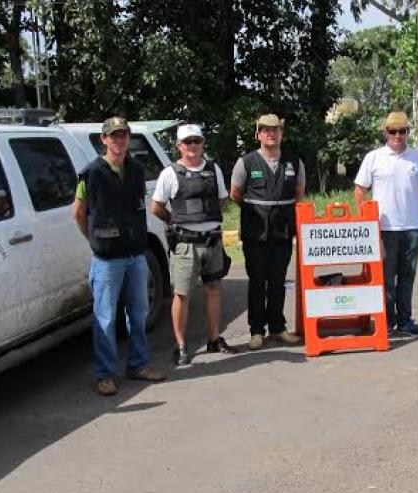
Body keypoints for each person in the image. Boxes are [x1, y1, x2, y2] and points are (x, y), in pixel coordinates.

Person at [72, 116, 165, 395]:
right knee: (105, 318)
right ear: (104, 140)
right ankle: (105, 375)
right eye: (114, 135)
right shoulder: (91, 173)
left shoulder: (136, 169)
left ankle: (138, 365)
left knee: (139, 313)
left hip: (136, 254)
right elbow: (78, 211)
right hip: (106, 259)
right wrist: (93, 239)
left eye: (123, 135)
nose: (119, 140)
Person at [150, 124, 237, 369]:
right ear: (179, 146)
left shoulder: (213, 169)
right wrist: (176, 222)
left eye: (197, 141)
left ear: (202, 143)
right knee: (182, 295)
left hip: (213, 240)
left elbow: (222, 200)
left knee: (214, 289)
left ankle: (214, 340)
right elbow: (156, 207)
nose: (193, 146)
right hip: (185, 244)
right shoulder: (169, 173)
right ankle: (180, 346)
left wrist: (207, 220)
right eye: (187, 142)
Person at [354, 111, 418, 337]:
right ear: (385, 133)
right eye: (393, 131)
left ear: (408, 132)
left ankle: (405, 320)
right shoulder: (374, 157)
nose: (397, 135)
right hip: (384, 230)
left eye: (402, 131)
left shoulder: (417, 158)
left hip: (411, 228)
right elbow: (360, 190)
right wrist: (366, 222)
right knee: (385, 279)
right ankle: (387, 321)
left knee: (407, 277)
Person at [229, 114, 304, 350]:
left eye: (275, 130)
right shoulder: (246, 162)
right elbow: (235, 193)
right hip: (255, 233)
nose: (271, 134)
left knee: (278, 281)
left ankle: (278, 327)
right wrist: (257, 211)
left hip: (282, 232)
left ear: (281, 133)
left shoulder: (294, 162)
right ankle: (256, 331)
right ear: (258, 134)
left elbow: (299, 193)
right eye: (266, 130)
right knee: (257, 281)